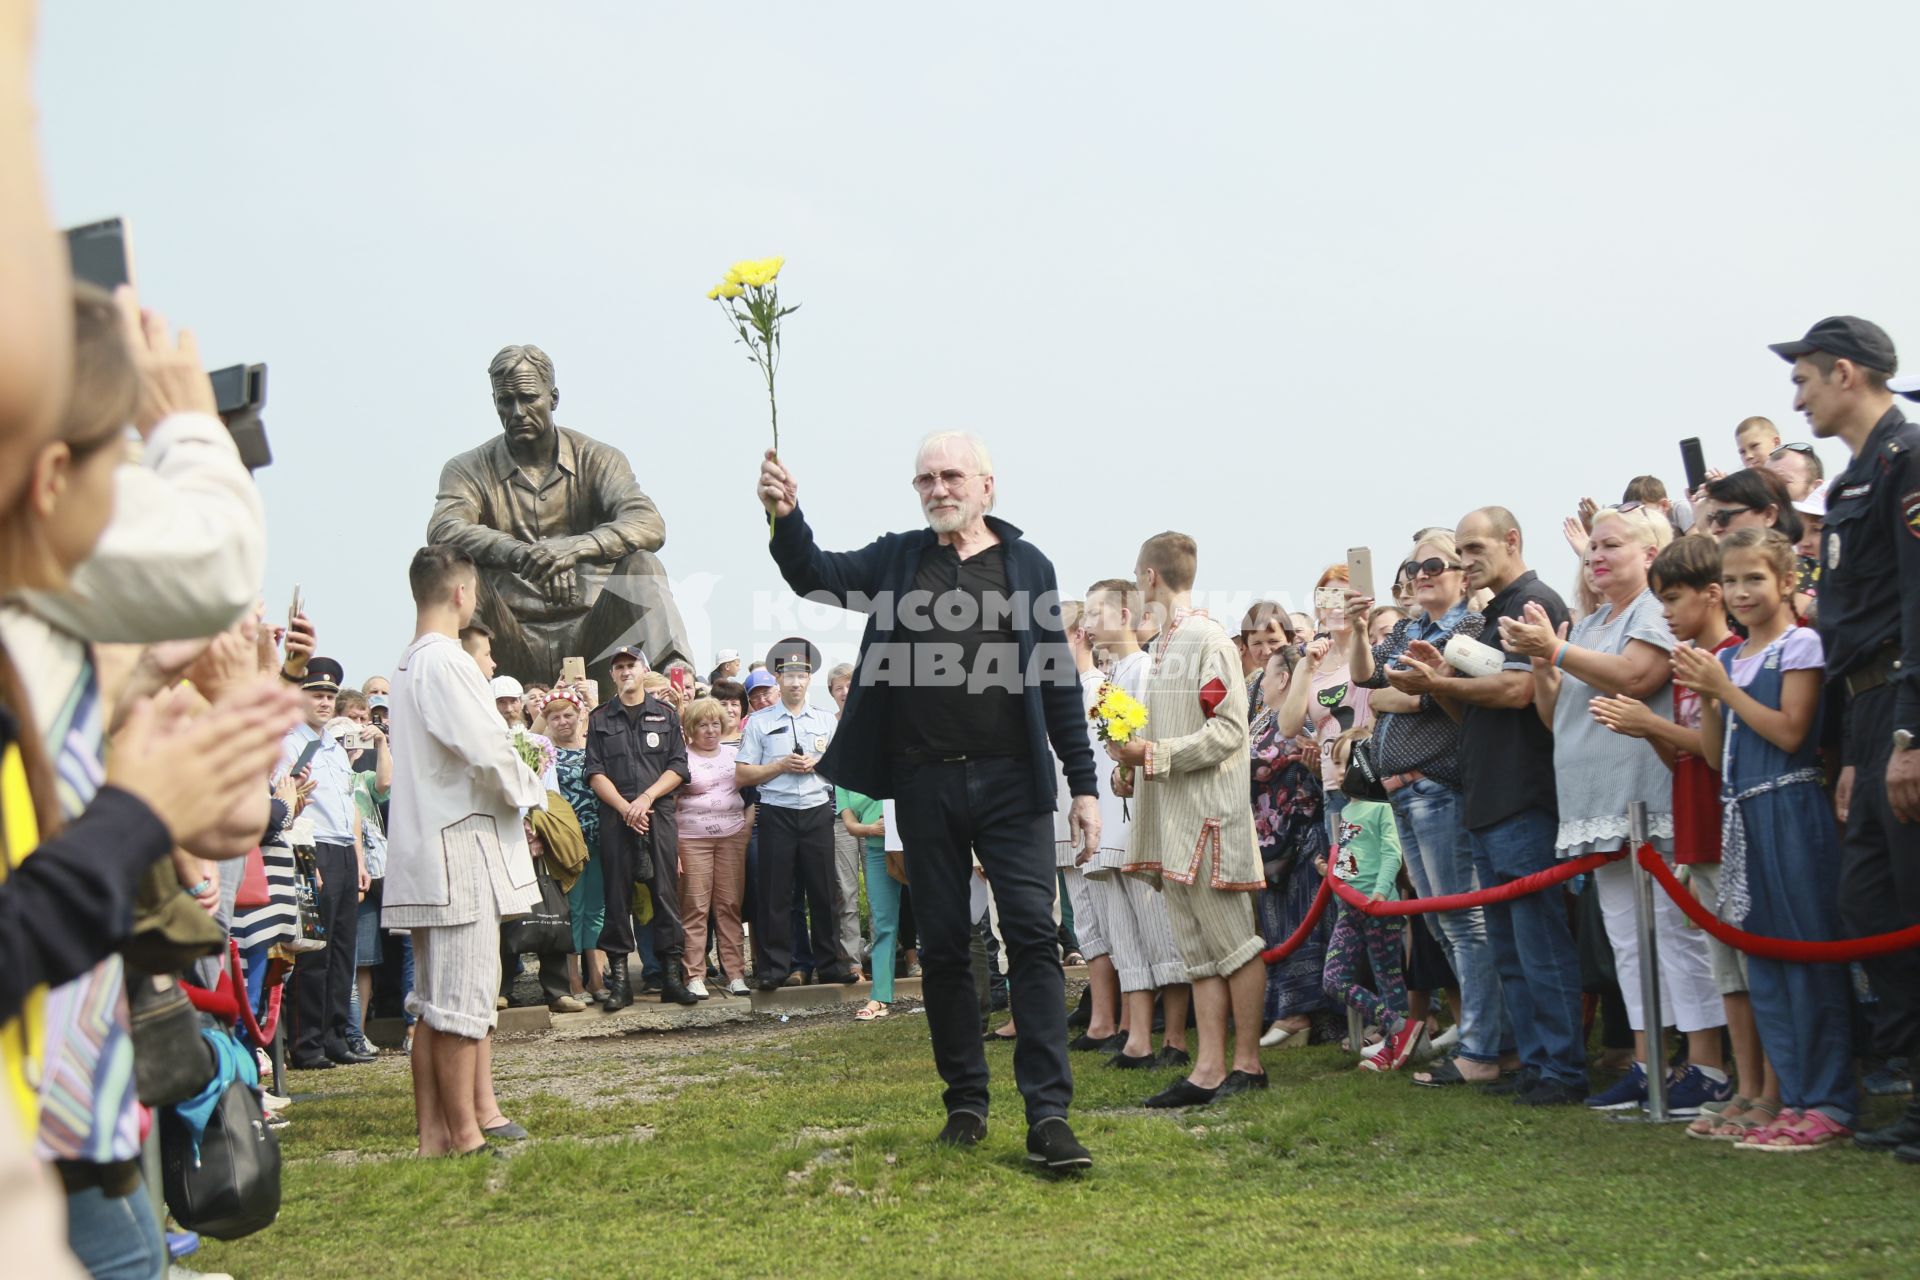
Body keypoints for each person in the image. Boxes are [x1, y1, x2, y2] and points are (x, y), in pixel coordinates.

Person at [757, 431, 1098, 1171]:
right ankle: (966, 1103)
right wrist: (787, 515)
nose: (938, 489)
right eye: (925, 480)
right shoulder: (899, 559)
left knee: (1034, 938)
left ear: (986, 485)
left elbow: (1057, 684)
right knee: (944, 947)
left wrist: (1085, 787)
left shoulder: (1026, 564)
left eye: (951, 476)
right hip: (923, 781)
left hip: (1013, 780)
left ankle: (1049, 1114)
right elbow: (814, 575)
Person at [1501, 504, 1728, 1115]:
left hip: (1645, 794)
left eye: (1611, 545)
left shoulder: (1655, 611)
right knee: (1628, 939)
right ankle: (1649, 1061)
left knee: (1674, 934)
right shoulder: (1593, 621)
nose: (1595, 556)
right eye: (1591, 547)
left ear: (1650, 554)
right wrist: (1546, 660)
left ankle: (1706, 1064)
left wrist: (1558, 649)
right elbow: (1556, 717)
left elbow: (1636, 674)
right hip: (1594, 800)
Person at [1764, 317, 1920, 1161]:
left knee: (1909, 899)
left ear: (1847, 373)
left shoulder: (1910, 459)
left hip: (1903, 699)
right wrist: (1862, 752)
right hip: (1865, 710)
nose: (1798, 397)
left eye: (1807, 380)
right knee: (1870, 902)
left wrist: (1909, 733)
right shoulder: (1861, 478)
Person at [1397, 506, 1588, 1104]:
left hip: (1525, 795)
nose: (1465, 560)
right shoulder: (1488, 617)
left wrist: (1437, 685)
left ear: (1512, 541)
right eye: (1461, 549)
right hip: (1484, 794)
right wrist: (1440, 680)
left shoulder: (1536, 602)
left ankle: (1562, 1069)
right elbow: (1472, 710)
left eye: (1475, 548)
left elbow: (1519, 690)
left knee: (1539, 944)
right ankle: (1531, 1064)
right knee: (1510, 949)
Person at [1674, 527, 1857, 1151]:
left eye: (1756, 578)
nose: (1743, 592)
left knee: (1807, 954)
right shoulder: (1725, 660)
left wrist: (1725, 692)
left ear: (1785, 582)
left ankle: (1829, 1099)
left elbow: (1790, 733)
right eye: (1732, 581)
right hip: (1742, 816)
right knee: (1765, 964)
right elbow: (1717, 754)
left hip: (1792, 808)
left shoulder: (1799, 646)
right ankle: (1792, 1097)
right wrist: (1713, 702)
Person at [1593, 534, 1776, 1137]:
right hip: (1695, 828)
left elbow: (1729, 755)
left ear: (1713, 595)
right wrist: (1646, 730)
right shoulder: (1688, 665)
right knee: (1728, 975)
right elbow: (1685, 763)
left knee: (1756, 969)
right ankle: (1745, 1090)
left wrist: (1651, 721)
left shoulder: (1732, 657)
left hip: (1735, 832)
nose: (1665, 613)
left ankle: (1769, 1090)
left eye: (1672, 600)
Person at [383, 545, 547, 1157]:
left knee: (433, 1001)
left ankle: (435, 1137)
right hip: (458, 844)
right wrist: (530, 788)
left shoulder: (410, 662)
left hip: (438, 840)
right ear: (459, 594)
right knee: (460, 1001)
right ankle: (463, 1134)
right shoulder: (445, 662)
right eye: (473, 592)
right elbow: (489, 749)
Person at [1111, 531, 1268, 1108]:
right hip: (1174, 816)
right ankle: (1207, 1069)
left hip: (1208, 817)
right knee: (1198, 951)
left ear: (1150, 576)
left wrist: (1153, 754)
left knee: (1234, 943)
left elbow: (1228, 730)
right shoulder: (1162, 648)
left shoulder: (1207, 640)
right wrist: (1132, 765)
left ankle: (1247, 1065)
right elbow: (1170, 732)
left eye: (1136, 571)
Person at [427, 343, 690, 683]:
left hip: (596, 633)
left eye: (528, 398)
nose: (518, 411)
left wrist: (572, 549)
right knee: (457, 572)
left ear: (553, 398)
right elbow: (444, 528)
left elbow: (648, 523)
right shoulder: (467, 468)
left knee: (642, 566)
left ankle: (677, 684)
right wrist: (523, 554)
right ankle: (454, 685)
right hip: (507, 637)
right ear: (494, 403)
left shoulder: (598, 459)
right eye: (506, 401)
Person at [1346, 529, 1505, 1088]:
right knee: (1442, 921)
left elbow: (1440, 692)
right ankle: (1481, 1039)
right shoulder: (1413, 626)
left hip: (1440, 787)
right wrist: (1360, 629)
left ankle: (1484, 1047)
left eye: (1434, 564)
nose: (1421, 575)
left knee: (1464, 922)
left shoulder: (1468, 625)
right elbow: (1368, 680)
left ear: (1463, 571)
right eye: (1413, 569)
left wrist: (1415, 691)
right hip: (1403, 793)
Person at [1082, 578, 1191, 1070]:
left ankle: (1175, 1040)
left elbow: (1155, 738)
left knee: (1158, 929)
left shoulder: (1146, 670)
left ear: (1124, 616)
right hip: (1109, 816)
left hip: (1142, 821)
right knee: (1124, 935)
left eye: (1095, 613)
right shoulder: (1111, 675)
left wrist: (1131, 768)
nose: (1087, 623)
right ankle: (1137, 1038)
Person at [735, 638, 853, 988]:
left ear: (810, 678)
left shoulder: (825, 721)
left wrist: (820, 765)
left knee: (823, 891)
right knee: (777, 895)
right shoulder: (758, 722)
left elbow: (845, 767)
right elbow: (742, 774)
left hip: (817, 811)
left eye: (802, 675)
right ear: (777, 678)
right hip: (776, 812)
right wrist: (779, 765)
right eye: (789, 676)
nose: (796, 682)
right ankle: (775, 969)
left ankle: (831, 964)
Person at [586, 643, 695, 1009]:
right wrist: (624, 806)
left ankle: (670, 978)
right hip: (617, 820)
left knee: (665, 895)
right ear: (612, 674)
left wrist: (645, 800)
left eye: (630, 664)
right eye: (618, 666)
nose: (624, 670)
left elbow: (679, 766)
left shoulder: (665, 714)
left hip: (657, 818)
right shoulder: (600, 717)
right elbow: (594, 772)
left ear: (641, 670)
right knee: (616, 898)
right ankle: (620, 984)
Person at [282, 655, 373, 1069]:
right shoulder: (287, 742)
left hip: (341, 848)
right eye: (316, 694)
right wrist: (304, 863)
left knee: (341, 949)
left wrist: (358, 857)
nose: (323, 702)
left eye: (329, 696)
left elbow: (347, 806)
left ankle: (337, 1035)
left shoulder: (334, 746)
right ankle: (307, 1042)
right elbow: (286, 803)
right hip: (308, 845)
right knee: (313, 950)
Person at [1317, 726, 1425, 1070]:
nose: (1336, 771)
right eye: (1334, 763)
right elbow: (1352, 857)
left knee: (1389, 978)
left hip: (1379, 908)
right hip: (1350, 909)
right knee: (1334, 979)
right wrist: (1330, 871)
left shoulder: (1380, 808)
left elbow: (1391, 854)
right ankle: (1398, 1028)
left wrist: (1379, 893)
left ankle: (1396, 1047)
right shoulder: (1345, 812)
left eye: (1344, 763)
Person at [1250, 638, 1335, 1048]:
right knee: (1277, 928)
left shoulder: (1296, 718)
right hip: (1267, 844)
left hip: (1299, 841)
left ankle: (1299, 1015)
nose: (1260, 683)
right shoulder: (1262, 717)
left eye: (1266, 675)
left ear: (1284, 678)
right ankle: (1286, 1013)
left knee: (1300, 926)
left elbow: (1262, 763)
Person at [678, 695, 752, 998]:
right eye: (702, 725)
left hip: (732, 837)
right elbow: (668, 806)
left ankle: (734, 973)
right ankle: (694, 974)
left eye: (715, 724)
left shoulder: (734, 755)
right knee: (694, 907)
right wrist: (672, 850)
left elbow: (752, 795)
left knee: (730, 906)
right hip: (691, 839)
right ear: (690, 729)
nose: (710, 730)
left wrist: (745, 831)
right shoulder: (680, 758)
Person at [541, 686, 608, 1003]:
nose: (563, 721)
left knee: (596, 908)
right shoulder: (545, 754)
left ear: (580, 715)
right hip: (566, 842)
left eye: (569, 714)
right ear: (547, 720)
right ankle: (573, 977)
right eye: (555, 716)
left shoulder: (595, 749)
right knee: (573, 909)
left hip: (598, 837)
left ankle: (596, 975)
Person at [837, 783, 896, 1020]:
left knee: (933, 917)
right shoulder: (843, 777)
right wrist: (872, 828)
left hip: (916, 843)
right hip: (877, 848)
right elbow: (850, 826)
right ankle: (880, 997)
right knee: (884, 924)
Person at [824, 661, 865, 977]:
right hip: (840, 816)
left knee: (884, 889)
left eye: (849, 685)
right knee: (845, 891)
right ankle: (851, 960)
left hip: (877, 816)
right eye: (838, 687)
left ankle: (881, 955)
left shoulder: (874, 722)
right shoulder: (827, 726)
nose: (844, 691)